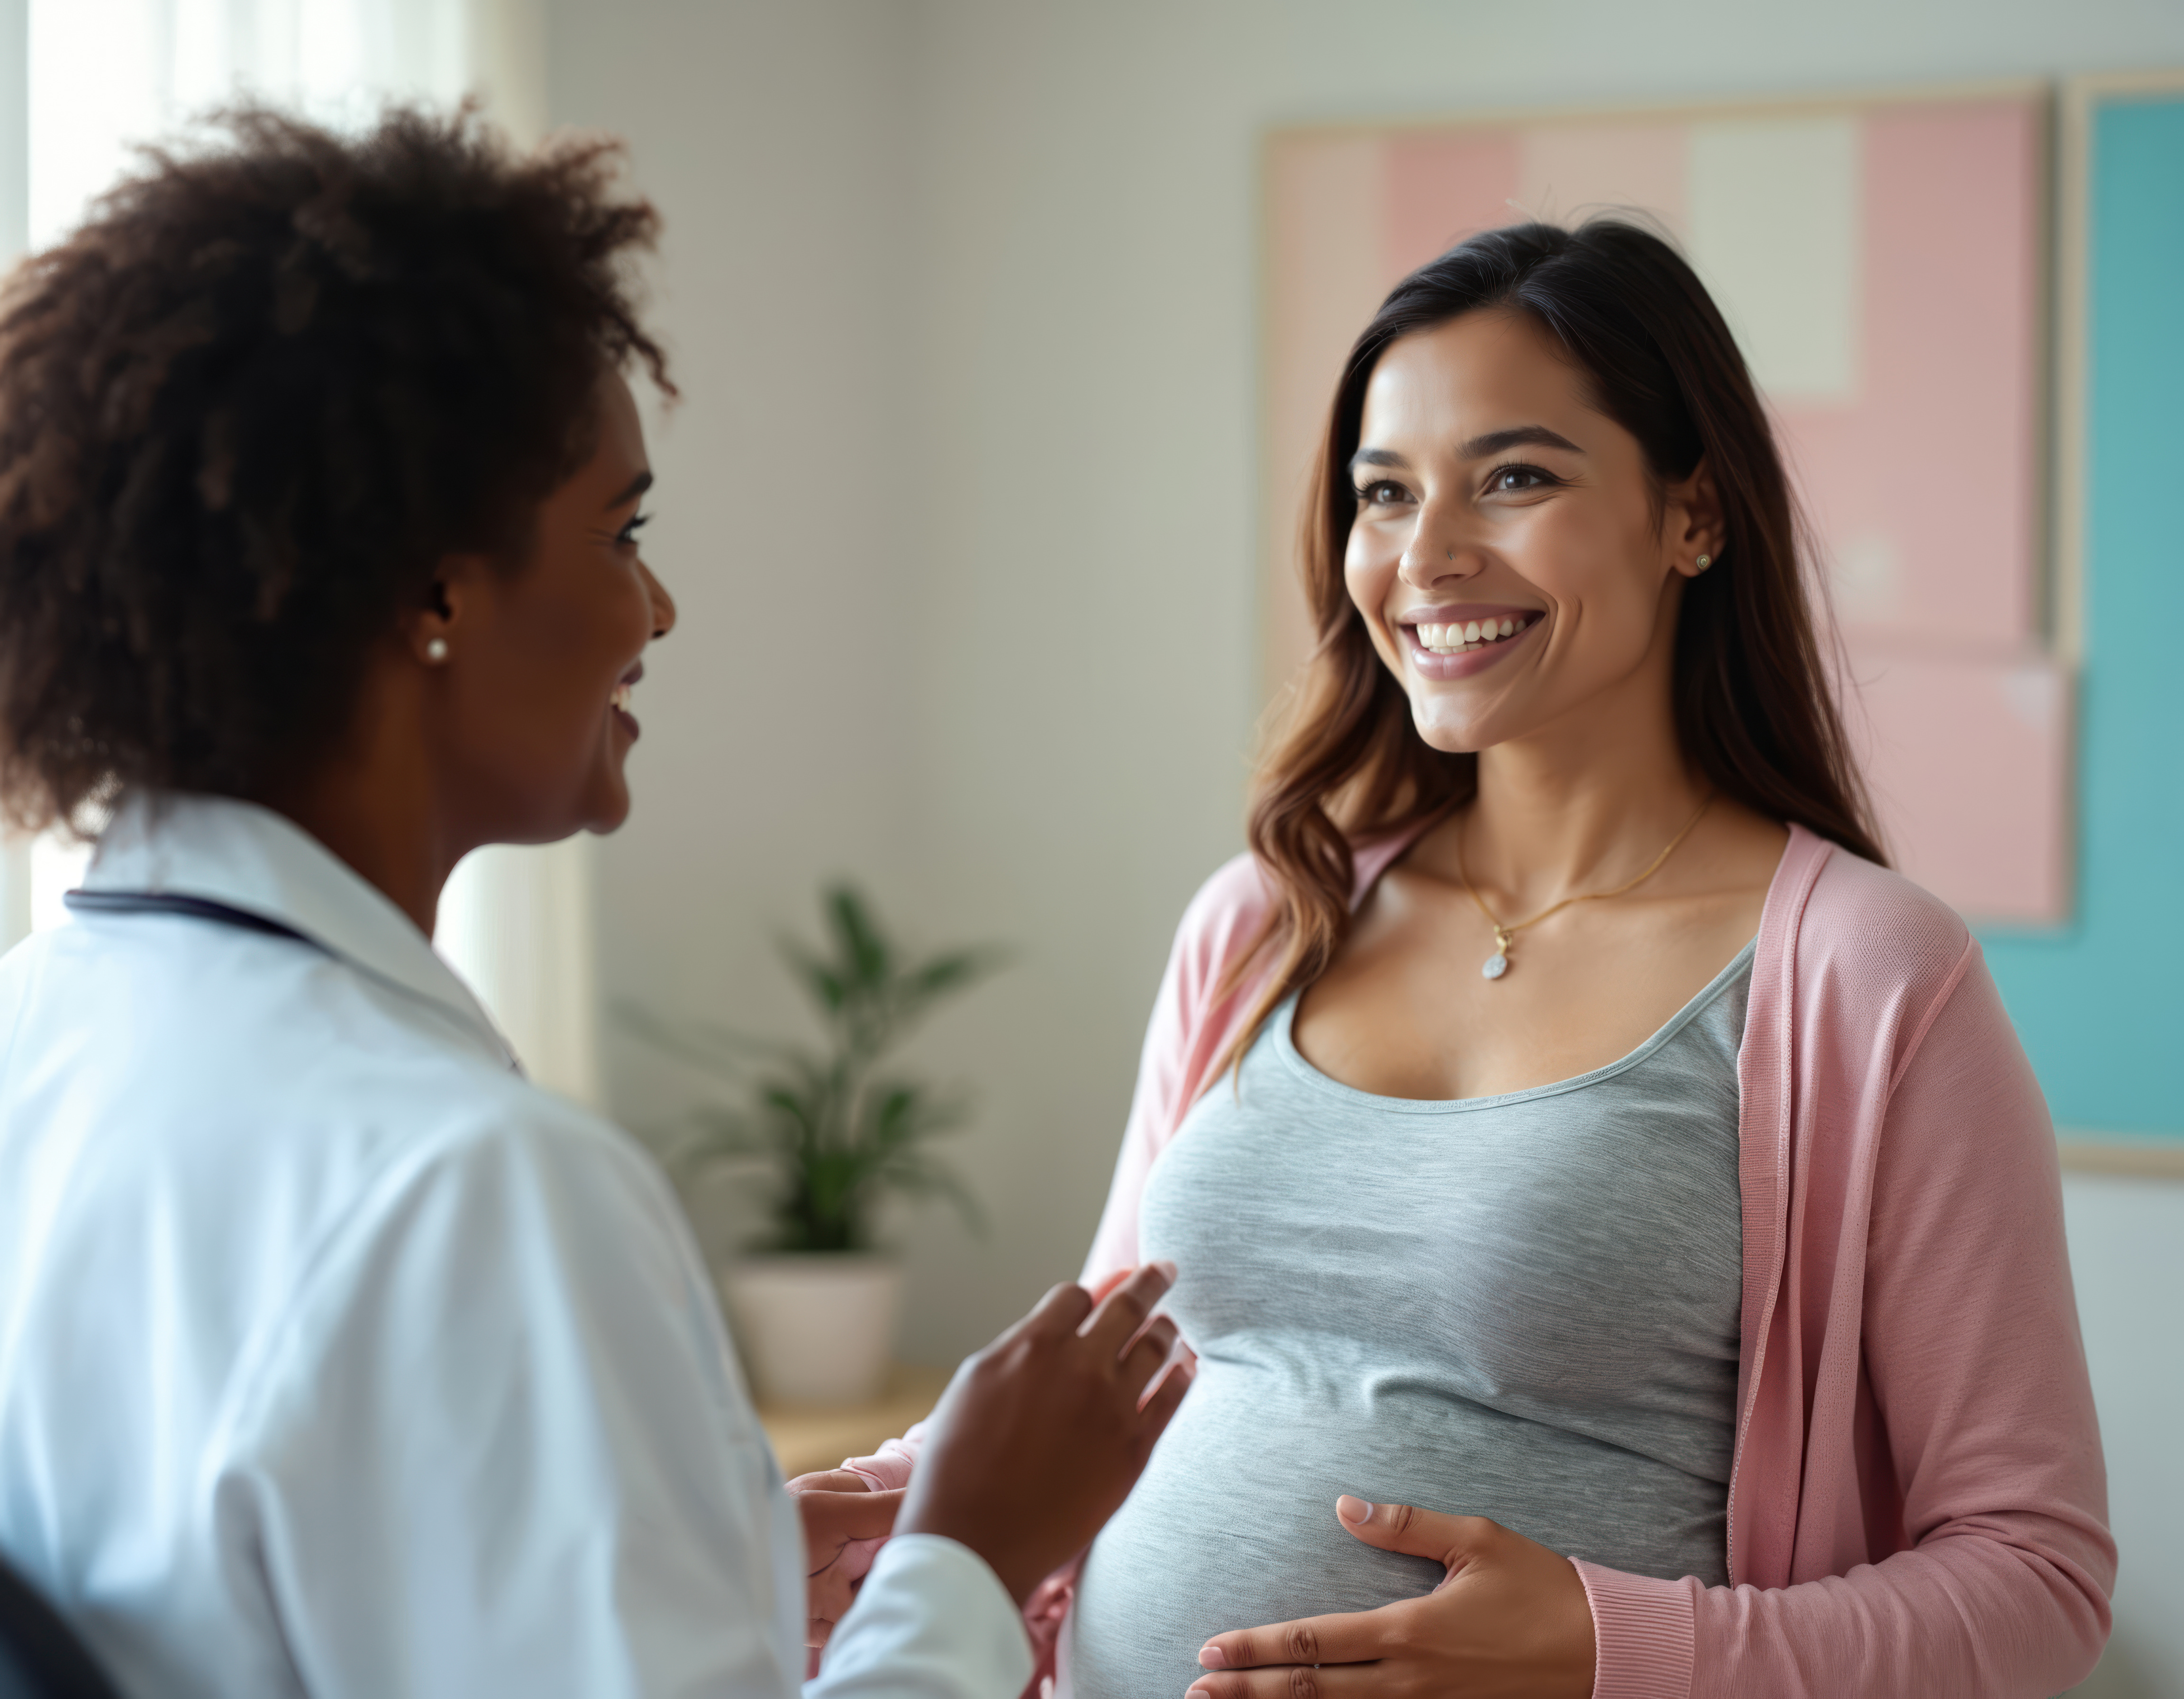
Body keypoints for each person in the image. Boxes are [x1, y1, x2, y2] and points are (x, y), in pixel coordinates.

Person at [801, 221, 2115, 1698]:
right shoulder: (1265, 918)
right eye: (1386, 492)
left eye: (1516, 477)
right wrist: (879, 1505)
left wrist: (1606, 1649)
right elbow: (1106, 1387)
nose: (1426, 557)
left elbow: (2037, 1574)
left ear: (1694, 516)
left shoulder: (1870, 979)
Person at [0, 106, 1189, 1699]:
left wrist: (686, 1535)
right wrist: (966, 1553)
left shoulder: (39, 1036)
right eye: (622, 533)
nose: (659, 607)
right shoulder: (471, 1193)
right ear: (433, 588)